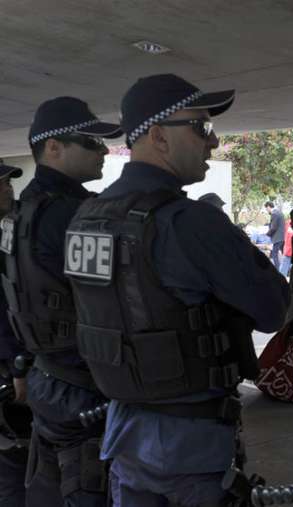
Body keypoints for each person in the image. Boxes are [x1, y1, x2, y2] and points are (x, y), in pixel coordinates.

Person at [63, 74, 290, 506]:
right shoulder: (190, 222)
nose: (214, 142)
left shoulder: (85, 217)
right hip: (191, 447)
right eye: (201, 127)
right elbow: (273, 309)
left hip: (124, 436)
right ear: (157, 137)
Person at [1, 97, 123, 507]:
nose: (104, 150)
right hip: (84, 386)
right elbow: (117, 302)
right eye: (90, 142)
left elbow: (14, 296)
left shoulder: (19, 214)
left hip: (45, 378)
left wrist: (20, 360)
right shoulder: (77, 215)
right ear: (53, 147)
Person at [0, 161, 34, 507]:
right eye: (1, 184)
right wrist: (16, 368)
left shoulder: (7, 232)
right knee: (13, 463)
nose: (9, 188)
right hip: (8, 371)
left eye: (9, 182)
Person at [265, 201, 286, 269]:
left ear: (268, 206)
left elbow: (273, 227)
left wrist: (267, 234)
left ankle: (278, 271)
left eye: (266, 208)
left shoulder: (274, 213)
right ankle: (281, 270)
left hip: (278, 238)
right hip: (281, 238)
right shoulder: (279, 212)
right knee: (280, 255)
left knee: (274, 254)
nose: (266, 210)